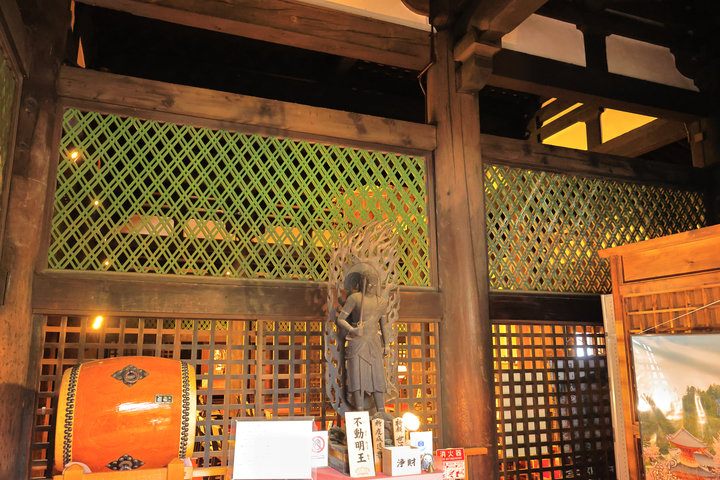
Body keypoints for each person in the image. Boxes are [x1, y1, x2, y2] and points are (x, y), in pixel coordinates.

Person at [336, 263, 390, 412]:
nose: (371, 286)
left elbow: (384, 325)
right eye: (368, 283)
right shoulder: (355, 298)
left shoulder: (381, 302)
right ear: (362, 283)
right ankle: (359, 410)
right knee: (357, 376)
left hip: (373, 342)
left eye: (374, 284)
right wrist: (353, 329)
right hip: (357, 342)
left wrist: (386, 344)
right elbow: (340, 319)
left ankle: (381, 410)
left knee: (377, 375)